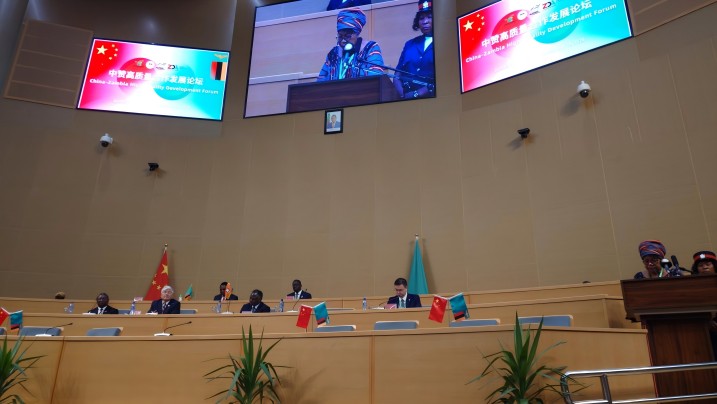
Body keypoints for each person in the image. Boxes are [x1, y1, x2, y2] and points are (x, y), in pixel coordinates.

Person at [317, 8, 385, 82]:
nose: (343, 41)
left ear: (357, 34)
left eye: (347, 36)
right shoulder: (333, 54)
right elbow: (321, 81)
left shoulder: (371, 48)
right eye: (340, 36)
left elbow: (376, 78)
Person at [393, 0, 435, 99]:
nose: (425, 21)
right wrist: (403, 96)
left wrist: (417, 94)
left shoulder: (444, 41)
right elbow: (397, 76)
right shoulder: (409, 44)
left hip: (432, 99)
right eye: (421, 18)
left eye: (429, 17)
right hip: (406, 100)